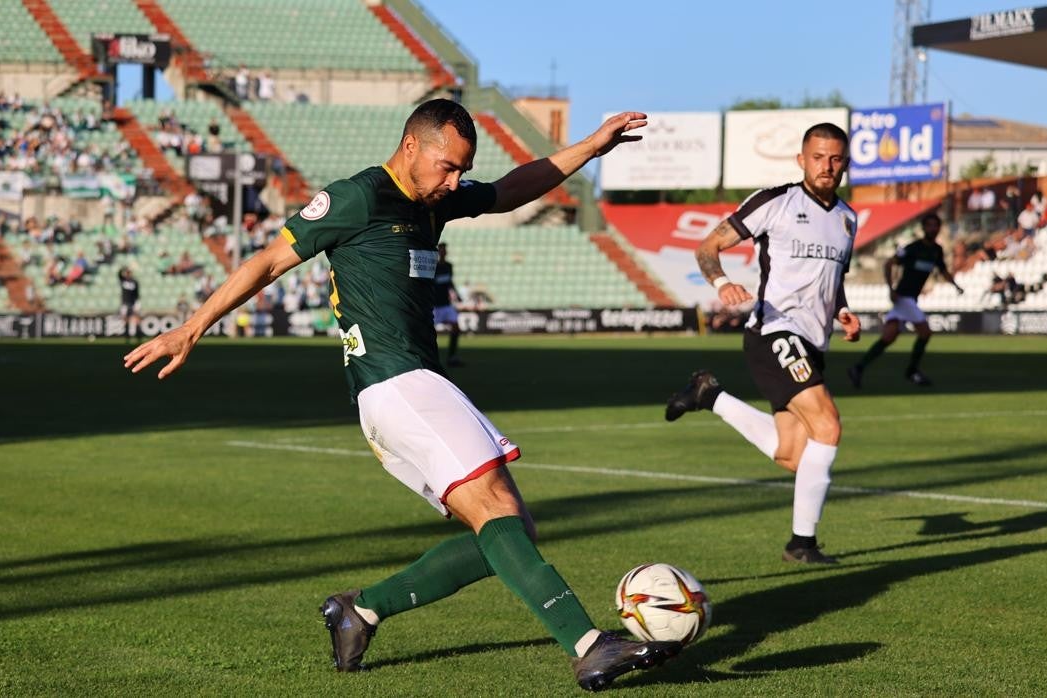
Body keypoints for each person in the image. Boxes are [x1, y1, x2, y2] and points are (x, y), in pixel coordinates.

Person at [123, 100, 679, 690]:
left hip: (406, 388)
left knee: (511, 530)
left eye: (462, 170)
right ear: (411, 146)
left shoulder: (432, 200)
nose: (454, 182)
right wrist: (193, 325)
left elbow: (512, 190)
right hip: (396, 381)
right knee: (497, 511)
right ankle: (589, 645)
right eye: (446, 166)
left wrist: (592, 145)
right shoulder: (359, 196)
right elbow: (269, 261)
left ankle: (359, 610)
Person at [664, 123, 861, 566]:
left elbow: (834, 280)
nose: (826, 166)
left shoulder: (849, 219)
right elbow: (708, 245)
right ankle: (802, 544)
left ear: (845, 164)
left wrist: (842, 311)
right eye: (818, 157)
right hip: (774, 330)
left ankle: (709, 395)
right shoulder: (776, 202)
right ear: (801, 160)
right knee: (828, 426)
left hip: (813, 341)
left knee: (795, 455)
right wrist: (721, 281)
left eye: (835, 159)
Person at [848, 213, 964, 388]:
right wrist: (891, 289)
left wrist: (955, 285)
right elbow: (889, 264)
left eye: (935, 225)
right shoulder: (913, 248)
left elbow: (943, 270)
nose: (933, 228)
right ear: (923, 228)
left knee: (888, 337)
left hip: (910, 299)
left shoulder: (936, 250)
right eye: (929, 225)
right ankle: (912, 371)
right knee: (925, 333)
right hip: (903, 297)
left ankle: (858, 368)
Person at [432, 241, 464, 367]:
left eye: (444, 249)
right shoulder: (433, 266)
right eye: (441, 249)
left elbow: (449, 283)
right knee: (428, 333)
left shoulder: (449, 266)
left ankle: (452, 357)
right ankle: (430, 359)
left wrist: (457, 295)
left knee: (456, 328)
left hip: (446, 304)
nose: (443, 252)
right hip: (434, 305)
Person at [118, 267, 140, 343]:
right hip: (125, 303)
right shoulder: (123, 281)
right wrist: (125, 267)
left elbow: (137, 293)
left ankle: (138, 335)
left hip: (133, 303)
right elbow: (119, 274)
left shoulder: (134, 282)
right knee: (125, 319)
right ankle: (126, 335)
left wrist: (137, 303)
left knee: (135, 318)